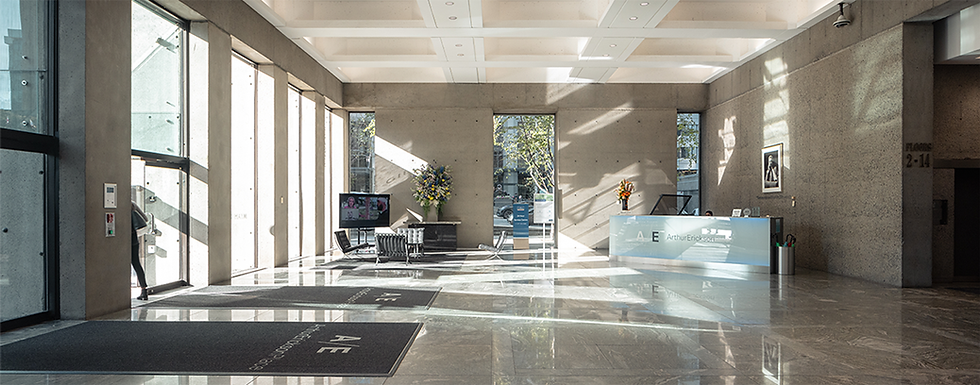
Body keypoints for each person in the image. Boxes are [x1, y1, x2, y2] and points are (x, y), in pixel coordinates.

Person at [131, 202, 150, 300]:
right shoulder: (132, 204)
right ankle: (144, 290)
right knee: (136, 264)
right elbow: (145, 219)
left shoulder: (119, 204)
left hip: (122, 241)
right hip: (133, 239)